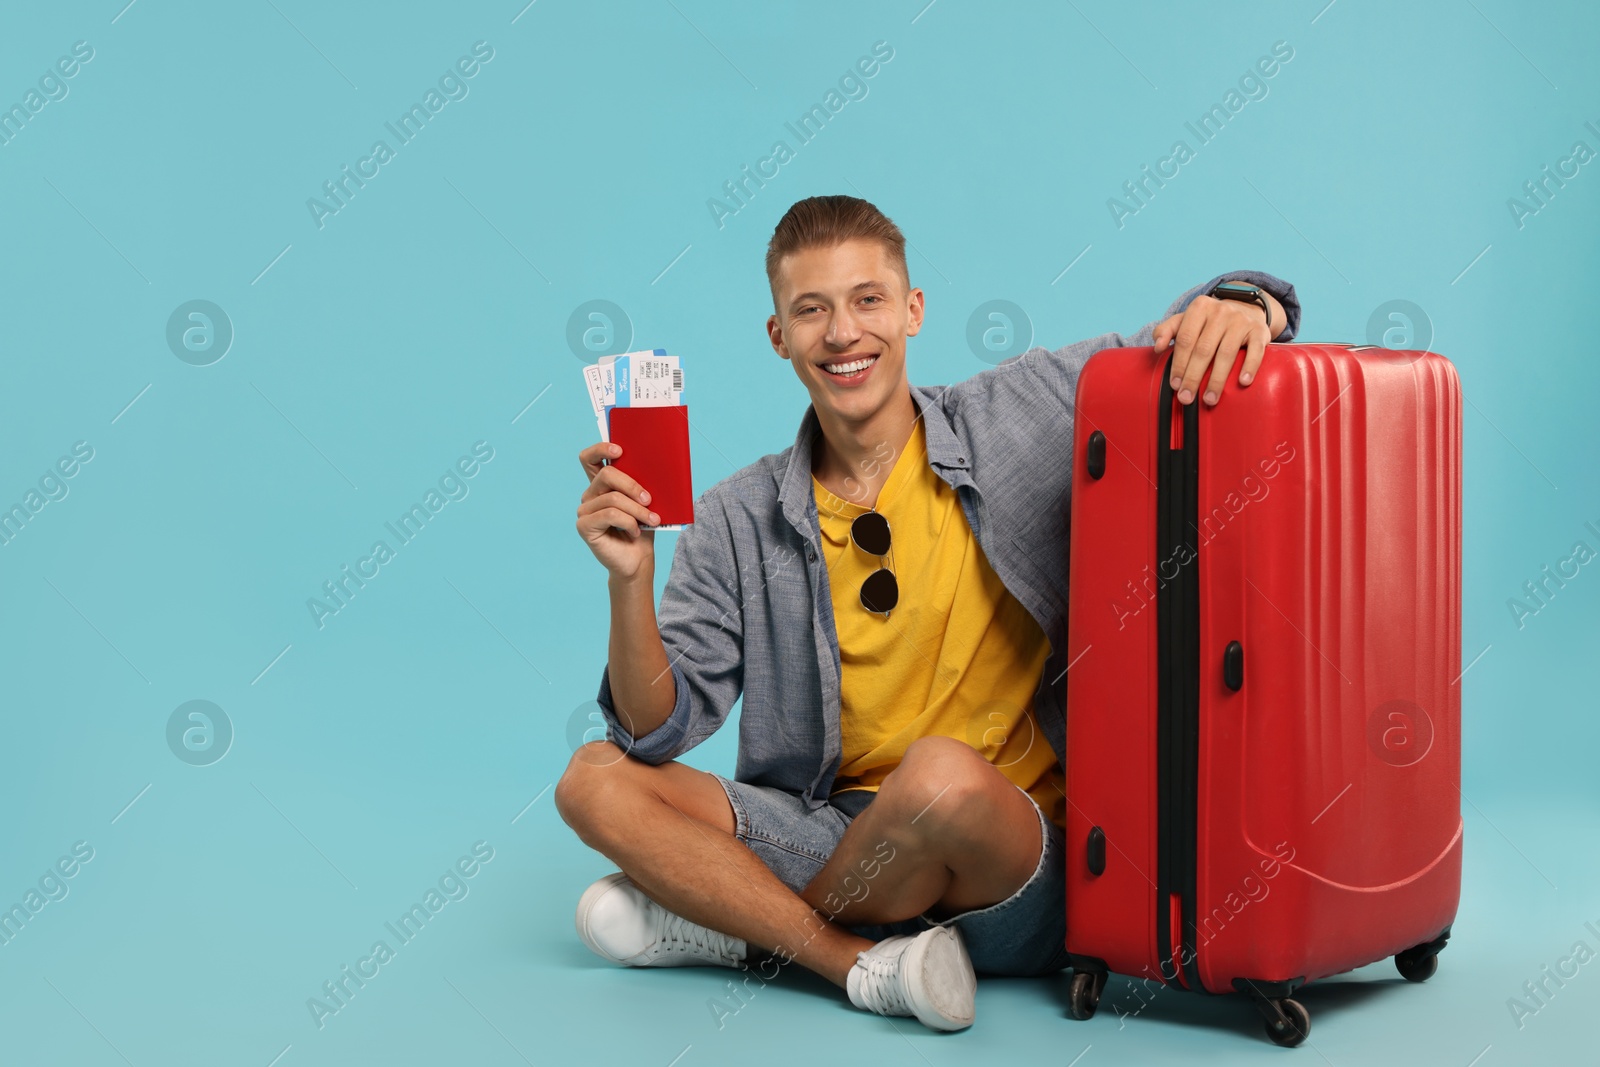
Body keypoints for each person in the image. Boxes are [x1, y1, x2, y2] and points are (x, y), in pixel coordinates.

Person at [560, 194, 1299, 1031]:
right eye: (812, 310)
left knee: (937, 776)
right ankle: (852, 962)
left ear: (912, 311)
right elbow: (656, 733)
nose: (843, 333)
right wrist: (629, 581)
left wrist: (1247, 300)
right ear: (779, 337)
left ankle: (737, 925)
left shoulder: (1017, 414)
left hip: (1010, 846)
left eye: (868, 299)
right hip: (831, 828)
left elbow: (1178, 330)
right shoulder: (737, 514)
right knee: (591, 779)